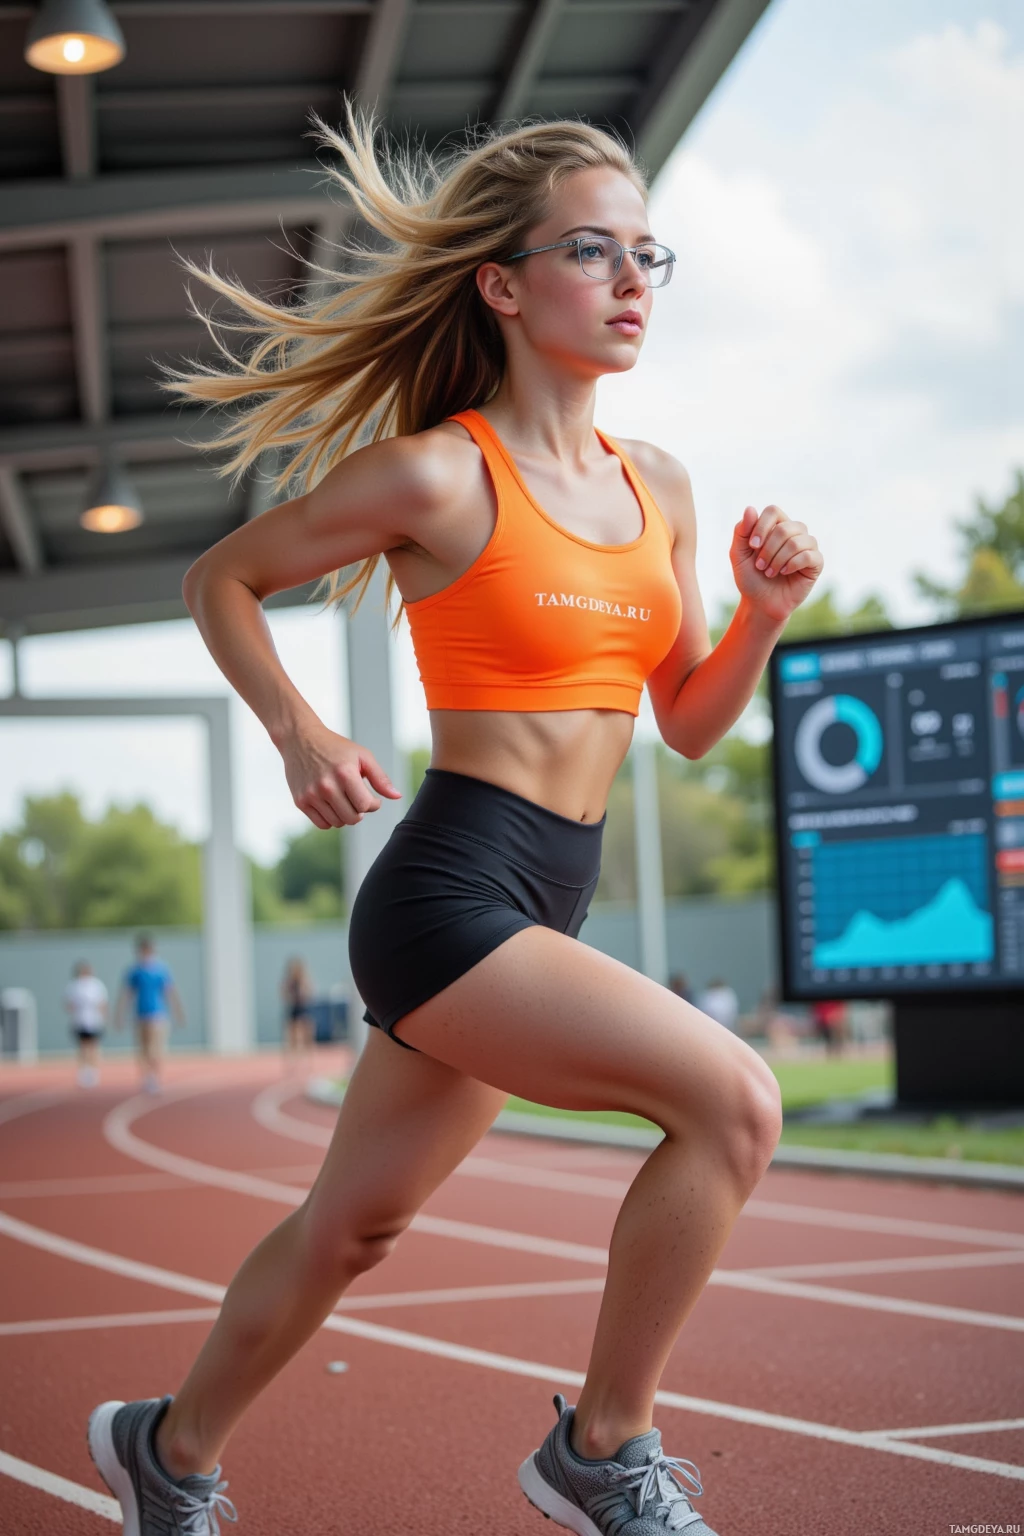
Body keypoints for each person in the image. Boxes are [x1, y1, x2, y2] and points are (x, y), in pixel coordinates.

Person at [86, 103, 823, 1536]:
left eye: (648, 256)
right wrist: (302, 734)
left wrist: (764, 616)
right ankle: (603, 1451)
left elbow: (682, 720)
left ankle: (166, 1451)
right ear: (503, 282)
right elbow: (221, 580)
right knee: (734, 1104)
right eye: (593, 251)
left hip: (555, 893)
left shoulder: (653, 481)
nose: (629, 283)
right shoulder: (440, 473)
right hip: (452, 892)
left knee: (351, 1228)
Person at [114, 933, 185, 1095]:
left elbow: (170, 992)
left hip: (157, 1015)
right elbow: (127, 994)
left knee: (156, 1049)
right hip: (140, 1015)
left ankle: (155, 1077)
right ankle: (146, 1077)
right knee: (143, 1049)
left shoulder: (161, 970)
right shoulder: (134, 971)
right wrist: (120, 1015)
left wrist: (178, 1013)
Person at [63, 959, 108, 1088]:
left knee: (93, 1046)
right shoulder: (74, 985)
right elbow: (68, 1003)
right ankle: (83, 1071)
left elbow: (102, 1003)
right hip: (80, 1020)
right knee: (82, 1047)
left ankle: (93, 1071)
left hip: (94, 1020)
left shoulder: (96, 985)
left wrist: (103, 1018)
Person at [280, 956, 316, 1071]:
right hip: (293, 1010)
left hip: (303, 1009)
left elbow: (310, 994)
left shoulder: (304, 980)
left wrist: (303, 991)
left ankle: (308, 1061)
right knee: (291, 1037)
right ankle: (291, 1062)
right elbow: (284, 995)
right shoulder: (288, 981)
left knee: (307, 1036)